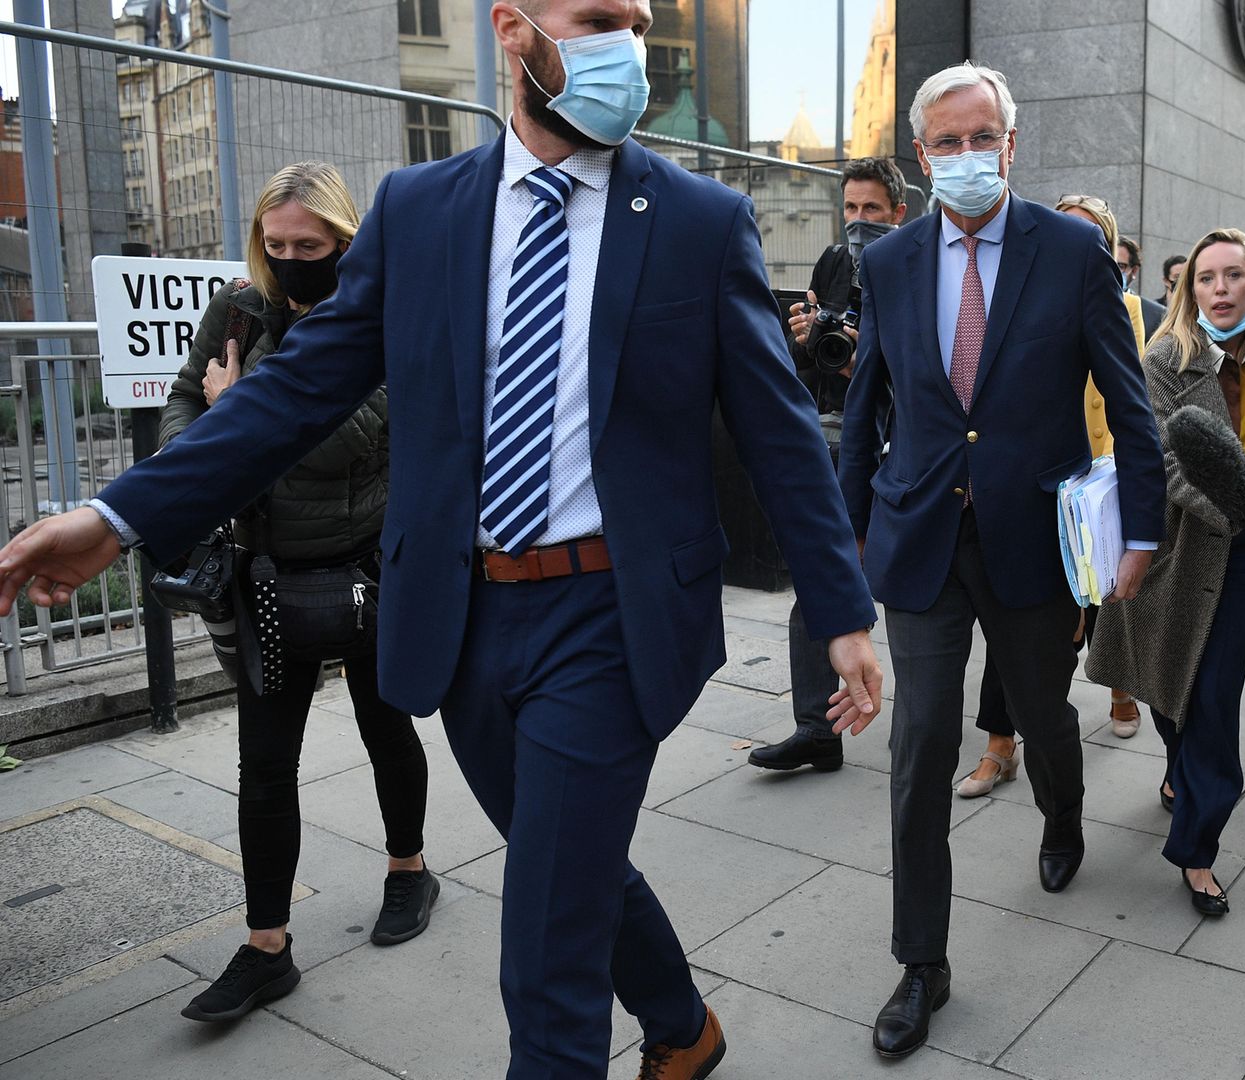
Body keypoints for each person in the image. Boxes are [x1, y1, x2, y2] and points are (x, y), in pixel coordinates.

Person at [0, 4, 884, 1078]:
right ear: (515, 29)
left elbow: (778, 428)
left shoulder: (698, 219)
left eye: (639, 23)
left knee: (544, 947)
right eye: (599, 19)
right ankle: (684, 1026)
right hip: (463, 616)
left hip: (613, 613)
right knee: (571, 866)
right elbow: (294, 391)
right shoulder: (421, 209)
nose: (629, 47)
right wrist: (120, 512)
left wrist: (840, 610)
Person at [834, 61, 1166, 1059]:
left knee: (1040, 711)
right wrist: (843, 546)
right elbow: (863, 413)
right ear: (924, 155)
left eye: (985, 139)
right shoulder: (889, 262)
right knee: (920, 747)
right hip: (921, 538)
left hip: (1035, 538)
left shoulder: (1071, 253)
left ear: (1011, 147)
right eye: (948, 142)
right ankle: (921, 965)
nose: (968, 157)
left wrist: (1140, 531)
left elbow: (1131, 401)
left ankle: (1062, 814)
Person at [161, 161, 434, 1024]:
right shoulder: (240, 309)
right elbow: (180, 402)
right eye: (275, 245)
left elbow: (342, 438)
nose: (289, 259)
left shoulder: (380, 317)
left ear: (345, 243)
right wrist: (211, 424)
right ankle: (267, 945)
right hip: (263, 571)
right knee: (264, 767)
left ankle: (409, 870)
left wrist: (236, 408)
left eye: (308, 246)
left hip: (360, 564)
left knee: (384, 724)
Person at [1085, 227, 1245, 917]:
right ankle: (1180, 770)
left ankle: (1198, 847)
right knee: (1170, 688)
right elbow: (1163, 461)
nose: (1221, 289)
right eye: (1207, 278)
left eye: (1234, 276)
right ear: (1188, 288)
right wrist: (1241, 508)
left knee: (1214, 702)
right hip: (1175, 551)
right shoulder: (1167, 357)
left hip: (1241, 563)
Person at [956, 191, 1148, 798]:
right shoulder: (1010, 302)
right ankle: (999, 744)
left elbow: (1134, 399)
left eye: (1090, 237)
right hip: (1035, 490)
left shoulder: (1135, 309)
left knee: (1106, 603)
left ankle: (1120, 687)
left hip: (1101, 486)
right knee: (1017, 631)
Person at [750, 156, 910, 774]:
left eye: (871, 209)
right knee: (821, 576)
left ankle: (952, 719)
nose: (859, 220)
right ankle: (818, 726)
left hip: (900, 445)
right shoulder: (835, 262)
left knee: (921, 591)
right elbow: (820, 354)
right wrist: (808, 336)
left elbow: (921, 373)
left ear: (899, 211)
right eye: (850, 208)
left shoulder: (917, 264)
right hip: (837, 437)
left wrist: (860, 364)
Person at [1115, 234, 1167, 336]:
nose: (1113, 270)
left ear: (1134, 271)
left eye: (1120, 266)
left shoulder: (1156, 315)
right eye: (1108, 263)